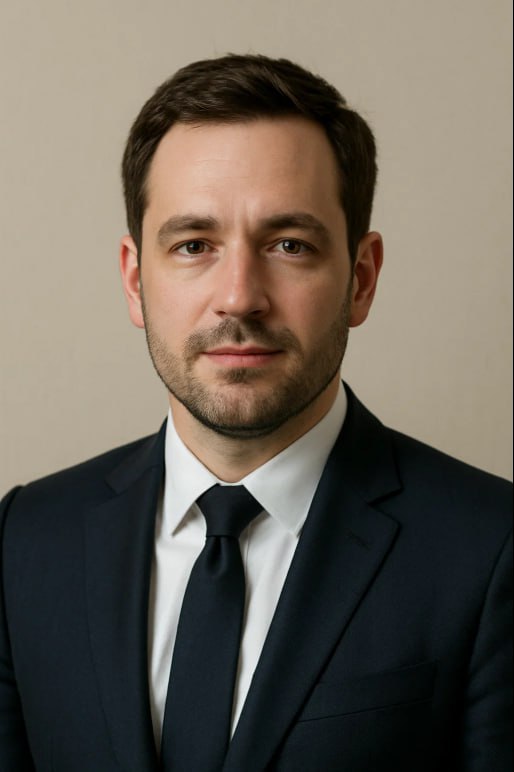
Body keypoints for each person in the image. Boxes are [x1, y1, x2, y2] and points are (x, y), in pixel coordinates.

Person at [0, 54, 511, 772]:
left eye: (289, 245)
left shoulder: (491, 549)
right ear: (135, 280)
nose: (239, 296)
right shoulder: (24, 541)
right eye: (194, 245)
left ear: (361, 279)